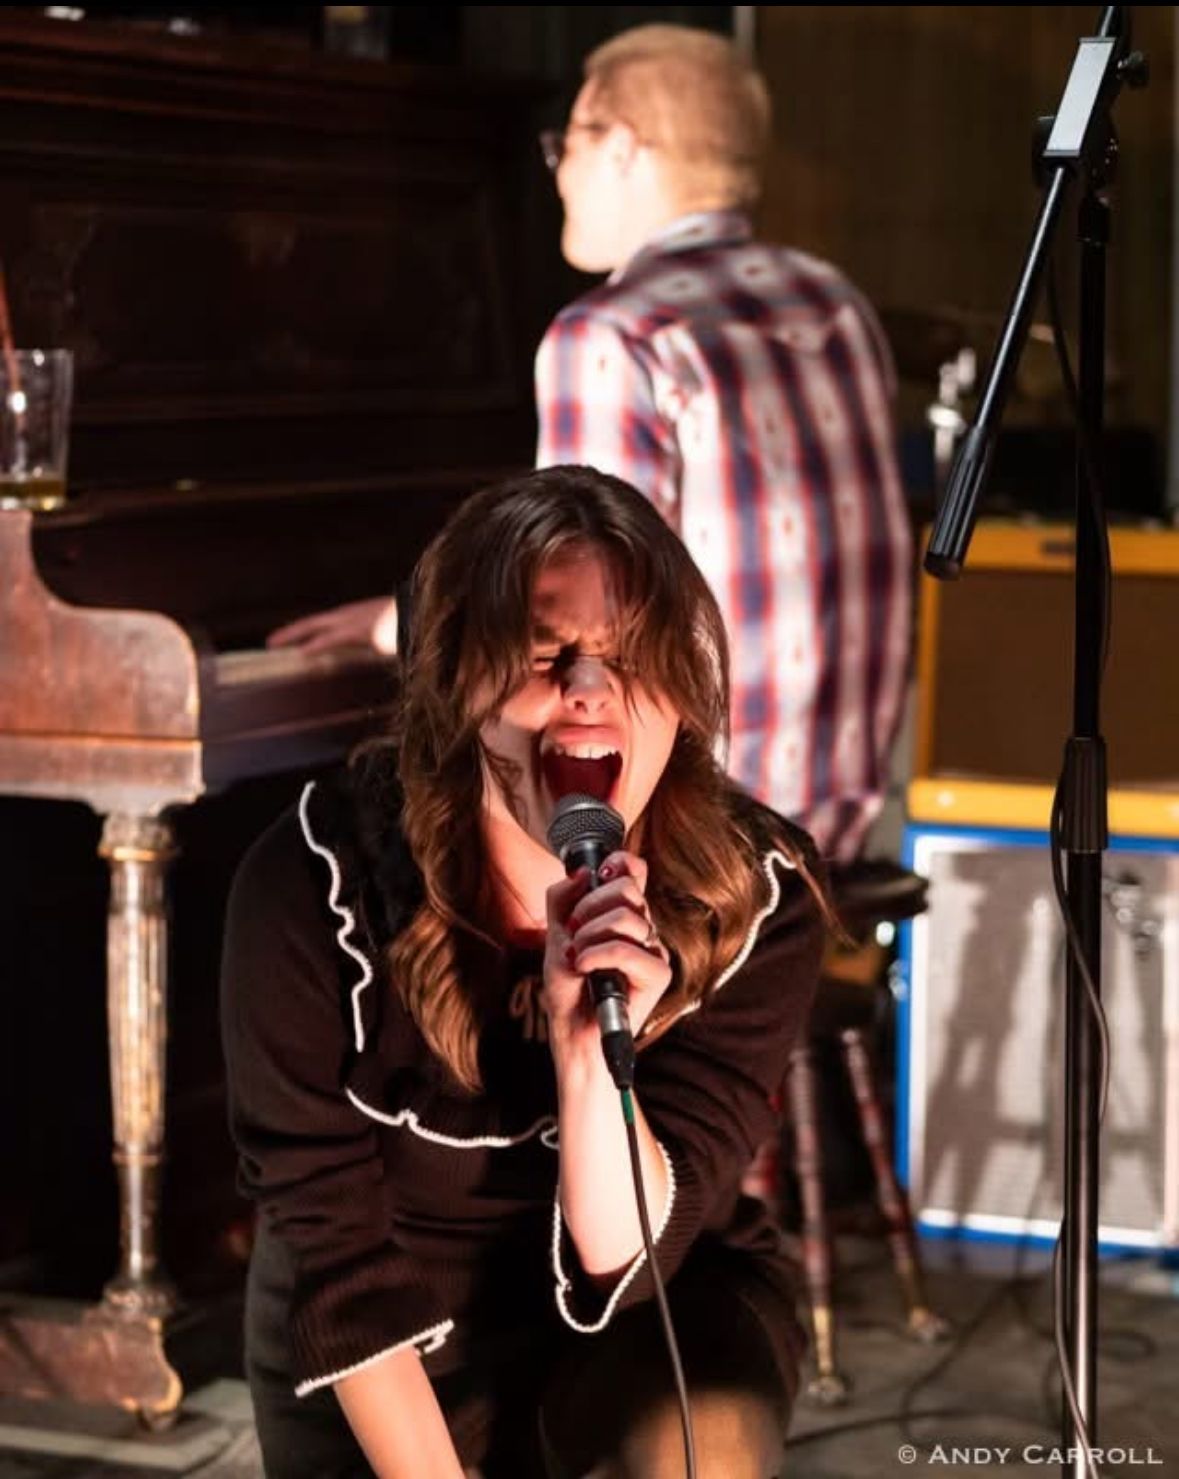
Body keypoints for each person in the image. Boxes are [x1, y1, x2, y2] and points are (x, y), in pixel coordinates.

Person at [224, 464, 829, 1478]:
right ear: (456, 682)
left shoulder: (752, 893)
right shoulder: (310, 884)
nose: (590, 688)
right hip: (378, 1338)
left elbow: (627, 1256)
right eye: (544, 654)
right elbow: (337, 1257)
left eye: (633, 655)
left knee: (703, 1443)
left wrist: (589, 1057)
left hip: (657, 1307)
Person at [269, 22, 912, 866]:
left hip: (704, 843)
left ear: (622, 148)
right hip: (834, 828)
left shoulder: (613, 334)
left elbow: (588, 611)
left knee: (369, 843)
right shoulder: (833, 303)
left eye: (564, 144)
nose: (560, 173)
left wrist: (411, 625)